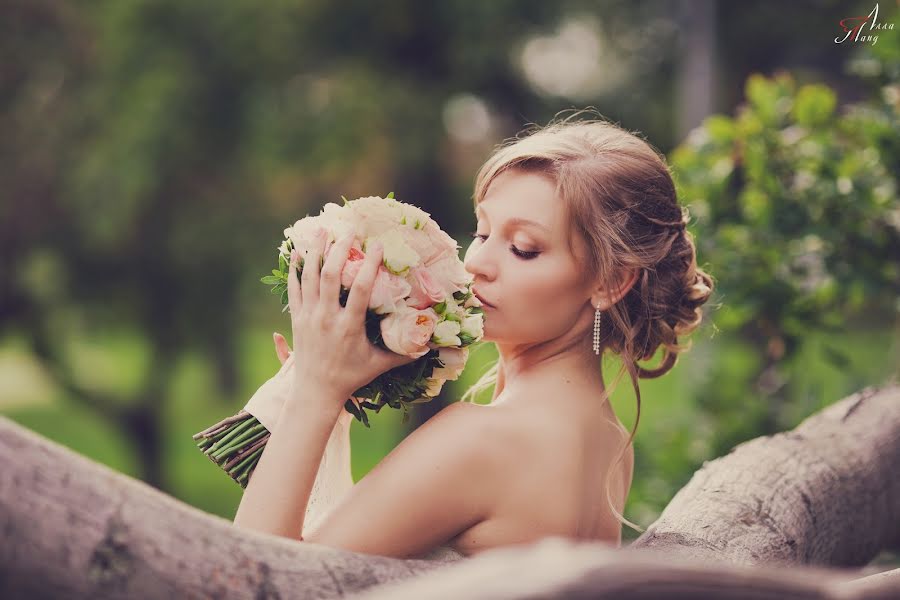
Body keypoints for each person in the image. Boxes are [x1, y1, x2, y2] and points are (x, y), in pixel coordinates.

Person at [232, 111, 715, 560]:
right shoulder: (608, 440)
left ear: (611, 281)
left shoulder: (485, 440)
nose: (477, 262)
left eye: (524, 248)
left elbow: (251, 577)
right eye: (482, 233)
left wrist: (314, 392)